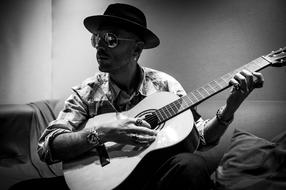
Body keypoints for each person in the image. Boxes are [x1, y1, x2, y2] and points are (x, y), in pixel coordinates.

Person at [10, 3, 264, 190]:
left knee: (192, 165)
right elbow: (47, 147)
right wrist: (104, 133)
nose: (99, 46)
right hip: (97, 179)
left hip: (151, 179)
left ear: (137, 49)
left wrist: (231, 106)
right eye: (96, 38)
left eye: (110, 39)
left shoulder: (165, 85)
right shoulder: (86, 91)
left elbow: (201, 139)